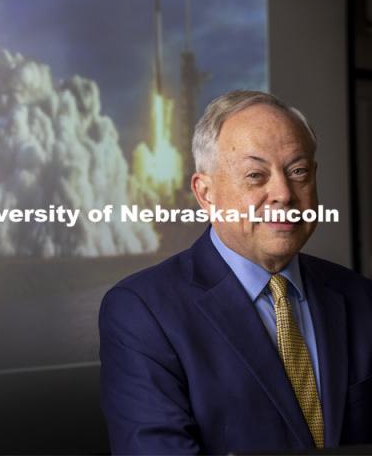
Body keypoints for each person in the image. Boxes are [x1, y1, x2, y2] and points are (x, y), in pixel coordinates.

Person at [99, 90, 372, 454]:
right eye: (256, 175)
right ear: (206, 193)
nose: (283, 193)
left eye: (298, 171)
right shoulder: (142, 312)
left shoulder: (362, 298)